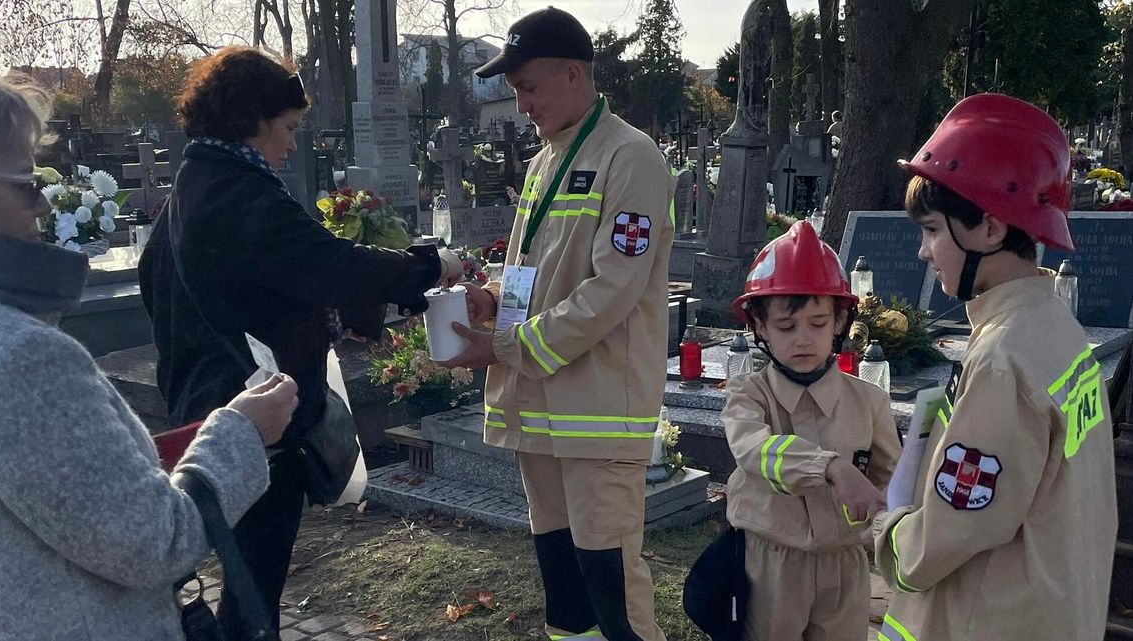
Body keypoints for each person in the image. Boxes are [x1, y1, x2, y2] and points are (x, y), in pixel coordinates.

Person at [138, 47, 462, 638]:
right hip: (259, 420)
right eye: (287, 128)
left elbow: (266, 278)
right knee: (254, 595)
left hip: (205, 407)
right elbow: (328, 263)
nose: (290, 144)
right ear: (253, 119)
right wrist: (428, 267)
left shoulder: (194, 185)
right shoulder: (241, 195)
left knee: (247, 580)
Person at [0, 72, 299, 641]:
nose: (41, 205)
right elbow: (155, 541)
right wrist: (239, 430)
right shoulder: (24, 359)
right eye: (27, 183)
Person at [439, 7, 675, 641]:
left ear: (573, 74)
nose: (519, 104)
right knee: (565, 596)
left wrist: (506, 342)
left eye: (527, 87)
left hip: (597, 414)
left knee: (612, 592)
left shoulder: (632, 158)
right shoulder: (548, 161)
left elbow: (612, 290)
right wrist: (493, 300)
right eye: (514, 90)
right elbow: (537, 268)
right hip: (540, 408)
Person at [872, 93, 1118, 640]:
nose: (923, 250)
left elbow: (947, 534)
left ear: (988, 228)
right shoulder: (1054, 327)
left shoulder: (1004, 361)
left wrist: (887, 530)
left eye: (932, 229)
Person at [723, 220, 900, 641]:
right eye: (786, 327)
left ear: (841, 322)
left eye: (818, 324)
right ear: (760, 327)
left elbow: (893, 482)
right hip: (771, 561)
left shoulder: (868, 401)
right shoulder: (749, 396)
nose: (804, 339)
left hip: (845, 563)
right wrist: (832, 468)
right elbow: (754, 450)